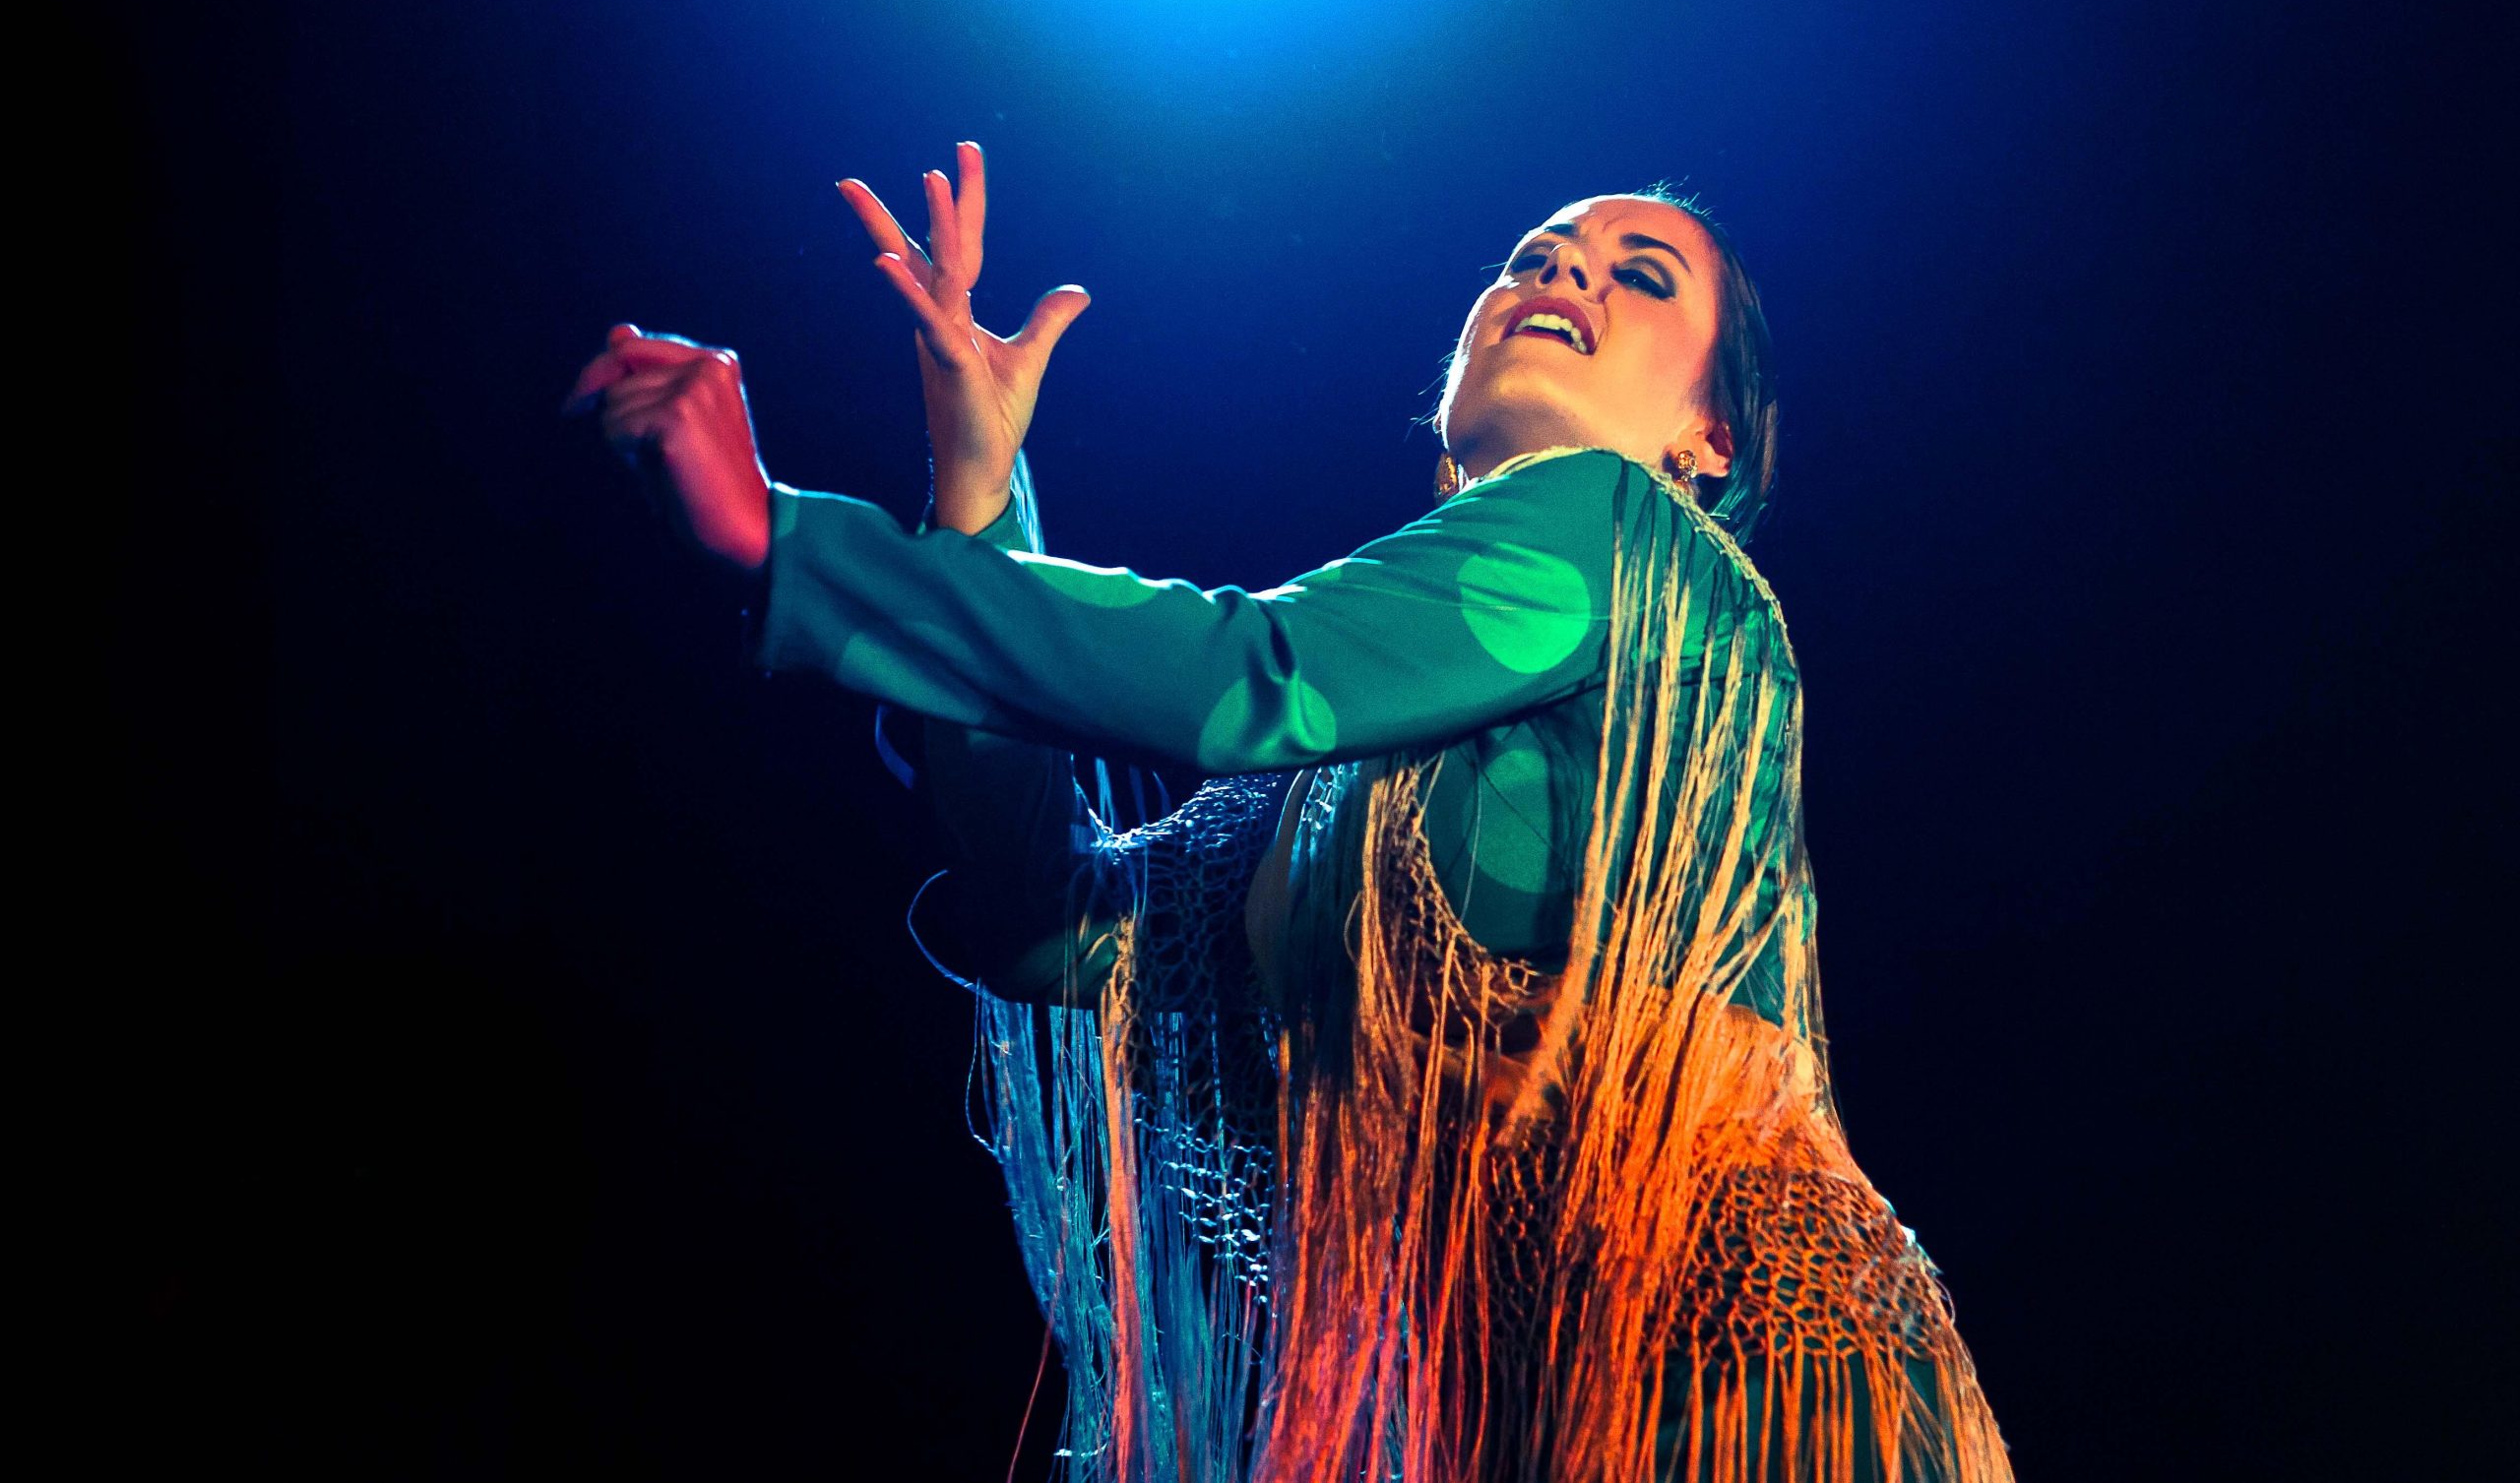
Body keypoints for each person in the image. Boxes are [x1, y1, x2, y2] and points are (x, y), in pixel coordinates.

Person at [569, 142, 2012, 1483]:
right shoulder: (1321, 801)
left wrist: (785, 540)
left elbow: (1247, 666)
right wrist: (976, 487)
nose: (1562, 273)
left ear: (1708, 439)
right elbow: (1049, 922)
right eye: (1536, 254)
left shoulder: (1630, 543)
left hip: (1754, 1382)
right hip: (1531, 1424)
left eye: (1640, 277)